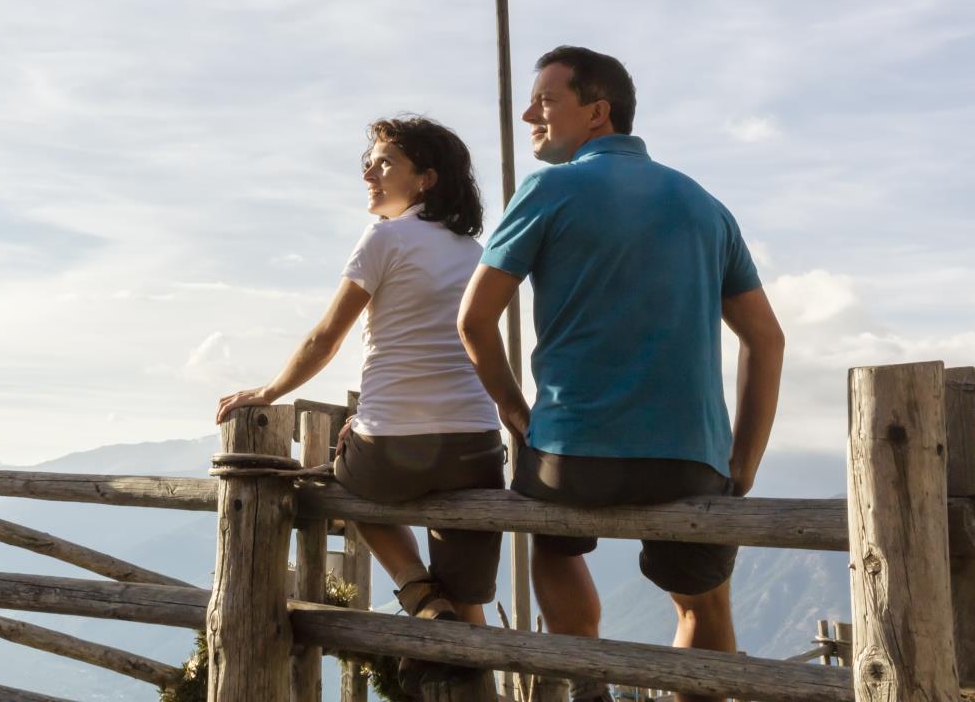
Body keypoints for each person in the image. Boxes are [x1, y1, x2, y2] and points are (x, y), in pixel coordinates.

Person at [457, 46, 786, 702]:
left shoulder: (548, 190)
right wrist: (744, 458)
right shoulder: (705, 205)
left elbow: (473, 321)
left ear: (597, 112)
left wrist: (518, 416)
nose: (530, 113)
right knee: (701, 608)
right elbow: (766, 340)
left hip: (569, 453)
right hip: (691, 457)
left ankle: (590, 690)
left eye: (546, 101)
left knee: (555, 547)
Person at [216, 115, 505, 630]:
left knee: (342, 487)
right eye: (367, 164)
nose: (369, 174)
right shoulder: (478, 254)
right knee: (470, 603)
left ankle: (417, 589)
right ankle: (461, 649)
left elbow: (324, 339)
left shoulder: (384, 237)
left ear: (426, 179)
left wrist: (269, 390)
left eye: (385, 163)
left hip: (390, 450)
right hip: (476, 447)